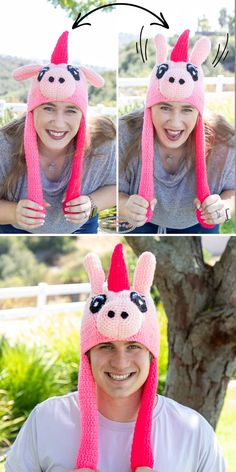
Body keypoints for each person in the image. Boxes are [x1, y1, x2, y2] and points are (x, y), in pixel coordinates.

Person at [6, 244, 225, 471]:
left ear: (151, 353)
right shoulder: (46, 421)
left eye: (133, 346)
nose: (120, 362)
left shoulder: (193, 432)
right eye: (106, 346)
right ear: (87, 354)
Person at [119, 30, 235, 234]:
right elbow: (111, 189)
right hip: (139, 221)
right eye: (164, 107)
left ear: (199, 110)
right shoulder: (125, 132)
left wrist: (226, 209)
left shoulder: (225, 139)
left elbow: (233, 192)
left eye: (187, 109)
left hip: (198, 223)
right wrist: (123, 205)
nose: (175, 121)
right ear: (149, 106)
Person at [0, 31, 116, 234]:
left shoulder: (102, 143)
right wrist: (13, 212)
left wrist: (91, 204)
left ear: (82, 114)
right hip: (14, 227)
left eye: (71, 110)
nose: (58, 122)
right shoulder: (5, 144)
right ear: (32, 110)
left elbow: (118, 188)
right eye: (48, 108)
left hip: (80, 227)